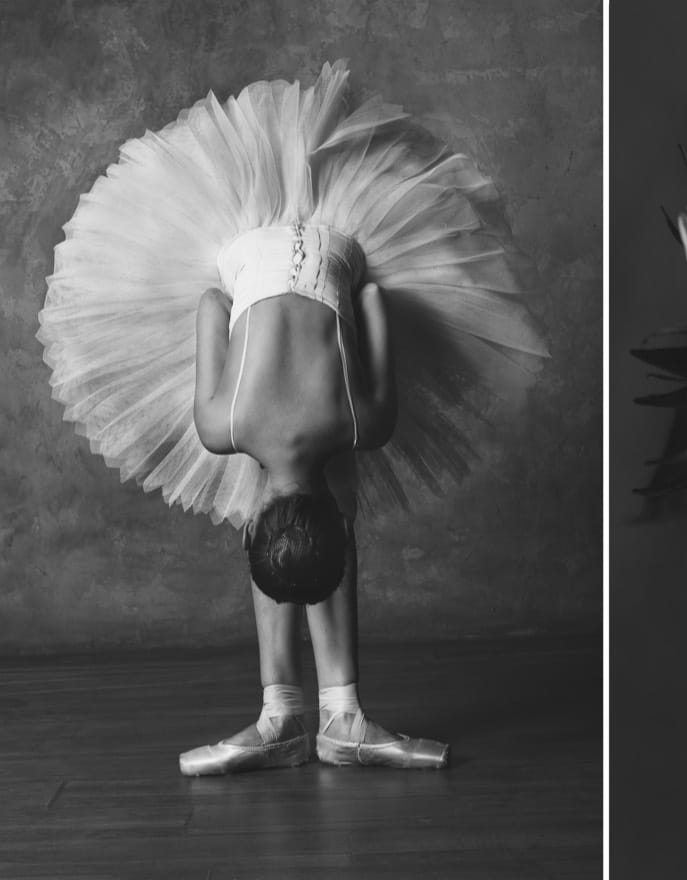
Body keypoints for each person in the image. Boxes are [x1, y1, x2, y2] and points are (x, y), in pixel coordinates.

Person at [37, 62, 547, 775]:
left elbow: (363, 305)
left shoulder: (361, 424)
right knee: (303, 489)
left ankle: (295, 712)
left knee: (297, 497)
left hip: (327, 252)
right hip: (252, 256)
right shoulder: (226, 429)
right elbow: (225, 307)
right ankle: (333, 713)